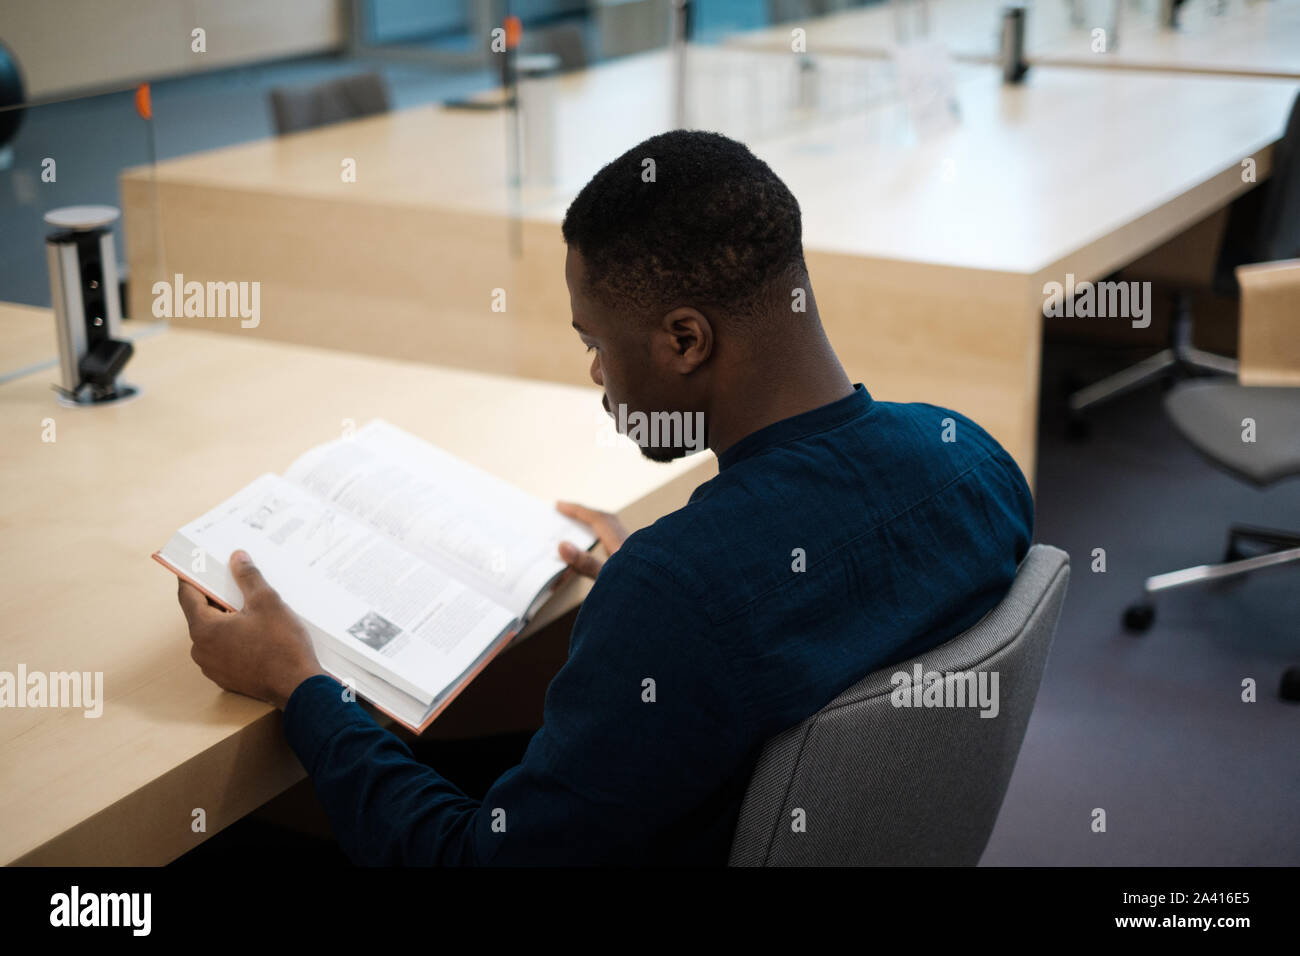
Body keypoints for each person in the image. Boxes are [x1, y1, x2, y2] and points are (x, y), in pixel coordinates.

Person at [178, 130, 1034, 865]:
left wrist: (300, 683)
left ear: (685, 339)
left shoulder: (680, 594)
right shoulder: (976, 460)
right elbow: (843, 589)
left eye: (595, 341)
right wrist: (667, 586)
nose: (595, 372)